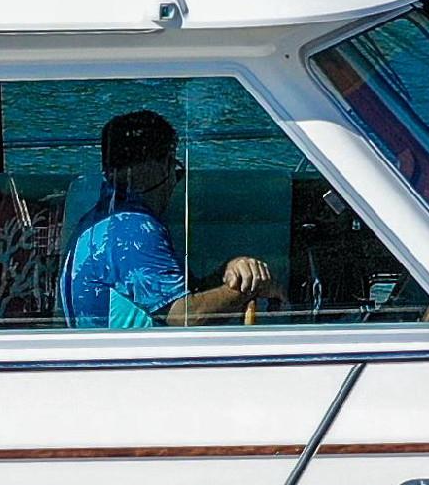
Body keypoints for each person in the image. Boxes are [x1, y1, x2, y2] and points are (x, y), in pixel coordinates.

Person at [60, 109, 276, 327]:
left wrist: (229, 270)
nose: (174, 182)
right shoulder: (132, 229)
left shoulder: (97, 222)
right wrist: (250, 287)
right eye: (174, 168)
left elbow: (183, 295)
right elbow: (185, 315)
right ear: (160, 166)